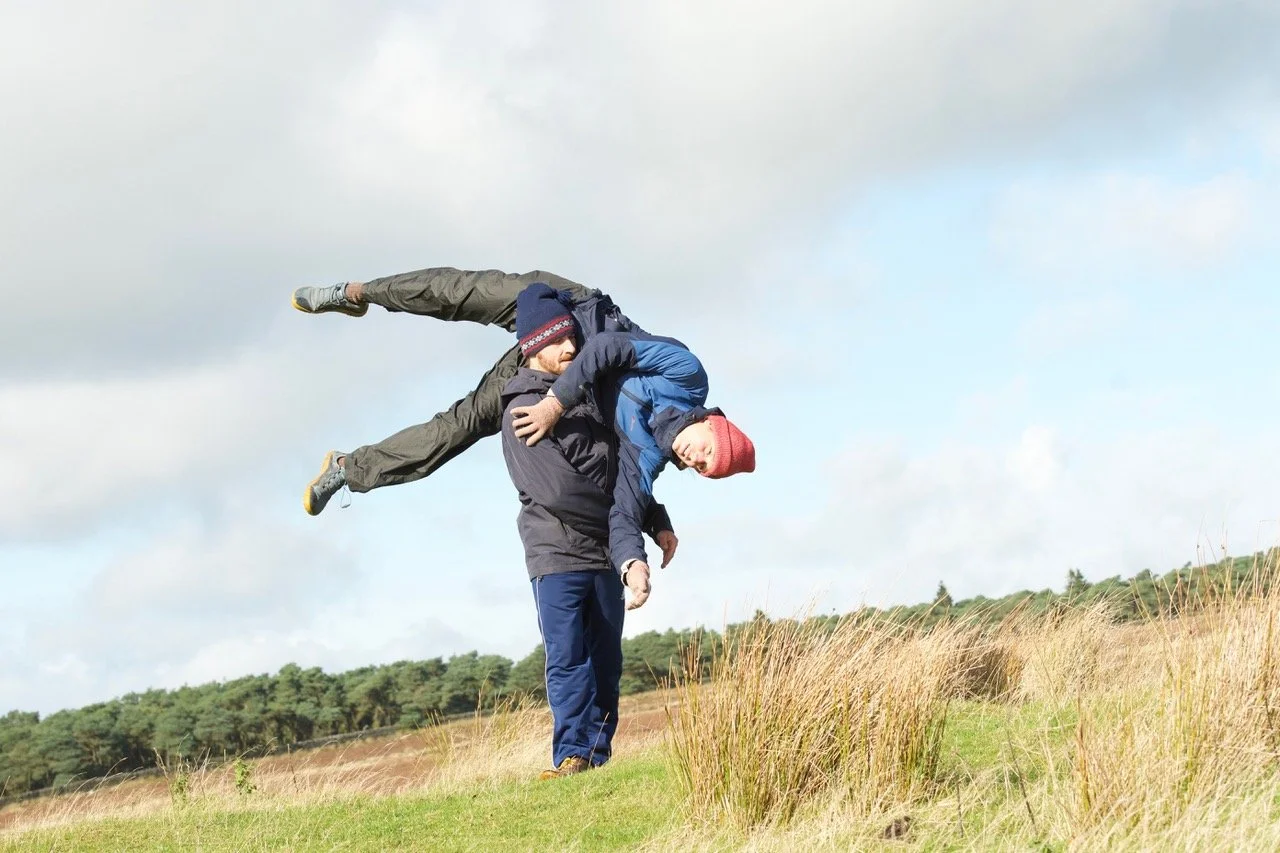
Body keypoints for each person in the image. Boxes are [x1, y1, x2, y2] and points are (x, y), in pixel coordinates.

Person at [292, 267, 647, 516]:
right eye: (703, 456)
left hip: (563, 371)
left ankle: (347, 468)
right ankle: (354, 293)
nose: (694, 459)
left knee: (464, 424)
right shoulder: (682, 378)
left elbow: (628, 476)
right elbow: (617, 347)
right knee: (458, 292)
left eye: (699, 467)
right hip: (573, 306)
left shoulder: (652, 445)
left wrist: (653, 520)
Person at [498, 285, 673, 780]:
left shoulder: (589, 398)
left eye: (573, 338)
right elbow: (557, 490)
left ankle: (597, 757)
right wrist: (623, 532)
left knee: (606, 663)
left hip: (605, 555)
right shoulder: (520, 407)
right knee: (568, 659)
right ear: (533, 345)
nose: (571, 349)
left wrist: (652, 518)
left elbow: (621, 468)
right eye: (557, 342)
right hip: (556, 556)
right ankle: (571, 755)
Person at [511, 327, 756, 599]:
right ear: (710, 424)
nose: (695, 459)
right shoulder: (688, 376)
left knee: (490, 402)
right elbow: (607, 345)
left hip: (553, 369)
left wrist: (632, 563)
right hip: (577, 321)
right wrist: (554, 405)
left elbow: (625, 511)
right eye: (707, 452)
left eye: (701, 468)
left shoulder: (648, 456)